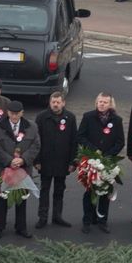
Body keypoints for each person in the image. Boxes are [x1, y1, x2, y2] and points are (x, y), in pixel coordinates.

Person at [0, 98, 38, 238]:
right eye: (12, 113)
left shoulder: (32, 127)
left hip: (23, 170)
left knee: (21, 199)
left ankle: (21, 227)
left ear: (22, 113)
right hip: (5, 170)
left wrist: (22, 160)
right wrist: (10, 161)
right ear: (7, 112)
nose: (14, 116)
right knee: (3, 199)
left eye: (17, 113)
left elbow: (36, 146)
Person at [78, 92, 124, 233]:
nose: (102, 104)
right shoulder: (88, 117)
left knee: (105, 191)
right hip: (91, 160)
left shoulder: (117, 120)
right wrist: (93, 151)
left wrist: (108, 155)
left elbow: (120, 141)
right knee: (90, 191)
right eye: (100, 101)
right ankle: (87, 219)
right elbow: (80, 136)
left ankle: (102, 220)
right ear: (96, 102)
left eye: (105, 102)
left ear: (110, 104)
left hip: (108, 161)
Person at [36, 90, 77, 229]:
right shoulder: (41, 117)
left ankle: (57, 216)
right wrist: (37, 161)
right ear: (50, 102)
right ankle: (42, 217)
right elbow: (36, 141)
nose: (55, 105)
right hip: (45, 161)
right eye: (53, 102)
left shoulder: (70, 118)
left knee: (59, 190)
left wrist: (73, 162)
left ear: (63, 103)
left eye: (58, 102)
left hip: (62, 162)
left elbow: (73, 141)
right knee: (44, 190)